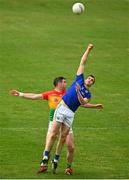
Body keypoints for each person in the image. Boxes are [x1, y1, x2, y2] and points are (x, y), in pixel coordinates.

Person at [10, 75, 103, 175]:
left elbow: (81, 103)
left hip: (66, 119)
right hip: (53, 121)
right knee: (49, 143)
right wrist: (20, 94)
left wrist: (94, 106)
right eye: (64, 82)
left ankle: (68, 168)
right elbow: (35, 96)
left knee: (71, 147)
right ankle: (44, 165)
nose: (66, 84)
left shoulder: (69, 92)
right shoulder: (50, 94)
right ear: (58, 83)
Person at [41, 43, 100, 174]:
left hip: (70, 113)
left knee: (63, 137)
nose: (90, 80)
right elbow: (82, 62)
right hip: (62, 107)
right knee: (54, 133)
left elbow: (83, 103)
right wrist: (88, 50)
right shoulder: (79, 79)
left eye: (92, 80)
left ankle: (55, 158)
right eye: (89, 78)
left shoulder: (88, 94)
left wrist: (80, 93)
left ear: (92, 84)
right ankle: (45, 156)